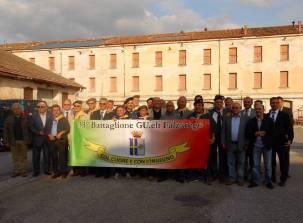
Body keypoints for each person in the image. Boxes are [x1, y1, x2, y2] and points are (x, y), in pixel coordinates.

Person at [246, 104, 274, 189]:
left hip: (266, 145)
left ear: (263, 110)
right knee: (255, 165)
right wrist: (255, 133)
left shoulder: (269, 120)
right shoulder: (251, 121)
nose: (258, 110)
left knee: (268, 165)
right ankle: (255, 181)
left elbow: (273, 133)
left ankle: (268, 181)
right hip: (256, 146)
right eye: (256, 109)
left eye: (260, 109)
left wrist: (265, 133)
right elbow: (247, 133)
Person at [221, 102, 249, 186]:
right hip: (230, 144)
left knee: (241, 162)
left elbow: (248, 132)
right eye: (233, 108)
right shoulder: (227, 118)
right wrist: (223, 142)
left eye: (237, 108)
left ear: (240, 109)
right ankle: (232, 178)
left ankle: (240, 179)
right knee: (231, 163)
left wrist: (246, 143)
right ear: (231, 109)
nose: (235, 109)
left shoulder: (245, 118)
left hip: (241, 144)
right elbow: (223, 132)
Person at [269, 97, 293, 186]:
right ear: (270, 104)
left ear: (279, 104)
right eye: (272, 103)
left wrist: (290, 139)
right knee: (271, 162)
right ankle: (272, 177)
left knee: (283, 161)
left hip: (282, 143)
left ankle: (283, 178)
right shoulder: (267, 115)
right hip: (271, 143)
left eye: (276, 103)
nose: (274, 104)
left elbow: (289, 129)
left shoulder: (284, 115)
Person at [4, 103, 31, 177]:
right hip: (13, 141)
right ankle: (16, 171)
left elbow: (29, 129)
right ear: (13, 110)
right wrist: (6, 141)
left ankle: (23, 171)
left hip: (23, 141)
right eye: (15, 109)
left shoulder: (25, 118)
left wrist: (29, 140)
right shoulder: (9, 119)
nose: (16, 110)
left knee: (24, 157)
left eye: (18, 108)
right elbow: (6, 131)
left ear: (20, 109)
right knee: (15, 157)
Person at [90, 98, 114, 178]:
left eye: (104, 104)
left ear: (107, 104)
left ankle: (106, 173)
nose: (102, 105)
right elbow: (91, 125)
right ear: (98, 104)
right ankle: (98, 172)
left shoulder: (111, 114)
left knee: (106, 155)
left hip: (107, 137)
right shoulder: (94, 113)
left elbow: (114, 124)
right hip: (97, 137)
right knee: (98, 154)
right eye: (101, 104)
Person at [29, 101, 52, 177]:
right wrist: (38, 132)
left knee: (47, 155)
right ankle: (36, 171)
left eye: (42, 106)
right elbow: (31, 127)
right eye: (38, 107)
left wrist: (50, 133)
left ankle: (47, 170)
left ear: (46, 107)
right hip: (37, 139)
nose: (40, 108)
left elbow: (53, 126)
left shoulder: (50, 115)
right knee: (36, 156)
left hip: (47, 139)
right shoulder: (33, 116)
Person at [208, 95, 227, 182]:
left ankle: (222, 175)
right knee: (213, 156)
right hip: (213, 137)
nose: (219, 104)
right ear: (214, 103)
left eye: (220, 102)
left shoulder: (227, 112)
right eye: (217, 102)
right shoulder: (210, 112)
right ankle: (213, 174)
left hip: (223, 137)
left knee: (223, 156)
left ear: (222, 103)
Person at [48, 104, 70, 179]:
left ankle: (64, 172)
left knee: (62, 157)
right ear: (52, 111)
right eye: (54, 110)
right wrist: (49, 134)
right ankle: (56, 172)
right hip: (52, 140)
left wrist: (61, 132)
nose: (56, 112)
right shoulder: (49, 119)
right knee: (54, 157)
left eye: (57, 110)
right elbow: (46, 129)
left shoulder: (63, 119)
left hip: (61, 141)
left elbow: (68, 128)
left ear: (60, 110)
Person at [277, 96, 294, 178]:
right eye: (276, 103)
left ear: (282, 102)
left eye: (279, 102)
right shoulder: (272, 111)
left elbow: (291, 124)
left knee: (285, 157)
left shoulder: (287, 110)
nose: (277, 104)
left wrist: (290, 138)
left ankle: (285, 173)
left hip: (285, 138)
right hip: (276, 139)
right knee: (279, 157)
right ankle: (280, 171)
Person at [71, 100, 88, 176]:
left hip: (81, 137)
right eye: (75, 106)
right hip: (73, 137)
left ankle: (83, 171)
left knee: (82, 154)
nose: (76, 107)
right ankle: (76, 171)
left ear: (81, 107)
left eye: (78, 106)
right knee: (74, 154)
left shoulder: (84, 115)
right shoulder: (72, 115)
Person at [241, 96, 256, 180]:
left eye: (248, 102)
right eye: (245, 102)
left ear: (251, 103)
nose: (246, 103)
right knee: (243, 160)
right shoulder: (240, 112)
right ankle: (245, 175)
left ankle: (253, 177)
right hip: (243, 140)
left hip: (253, 140)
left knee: (253, 160)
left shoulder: (255, 112)